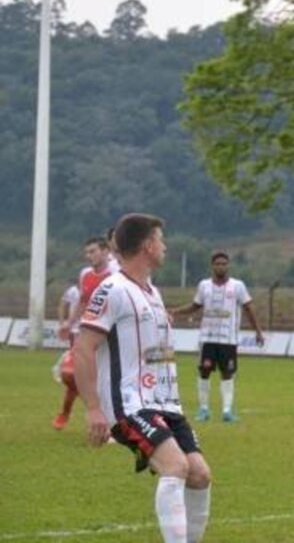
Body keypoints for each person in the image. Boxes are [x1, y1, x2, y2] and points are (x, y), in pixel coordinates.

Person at [73, 213, 212, 543]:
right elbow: (83, 348)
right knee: (175, 467)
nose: (164, 246)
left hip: (166, 404)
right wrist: (94, 409)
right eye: (161, 240)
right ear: (148, 246)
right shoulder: (112, 290)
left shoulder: (152, 292)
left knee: (200, 475)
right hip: (130, 405)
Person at [172, 251, 264, 423]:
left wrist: (257, 331)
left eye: (224, 263)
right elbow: (195, 306)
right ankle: (203, 409)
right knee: (204, 372)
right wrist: (175, 312)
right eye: (218, 263)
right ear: (212, 266)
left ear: (228, 266)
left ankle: (227, 411)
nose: (221, 266)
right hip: (208, 339)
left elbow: (248, 309)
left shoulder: (238, 286)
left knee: (227, 374)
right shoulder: (204, 285)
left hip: (228, 340)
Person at [52, 236, 117, 430]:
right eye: (87, 252)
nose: (89, 256)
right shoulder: (85, 274)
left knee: (106, 378)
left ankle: (111, 424)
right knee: (72, 375)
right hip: (85, 332)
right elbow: (82, 300)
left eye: (93, 251)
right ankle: (67, 412)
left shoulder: (116, 275)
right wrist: (68, 324)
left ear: (106, 251)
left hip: (108, 334)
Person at [50, 281, 80, 429]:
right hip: (77, 334)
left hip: (100, 335)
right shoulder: (74, 290)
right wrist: (64, 323)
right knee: (70, 375)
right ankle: (65, 413)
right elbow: (62, 303)